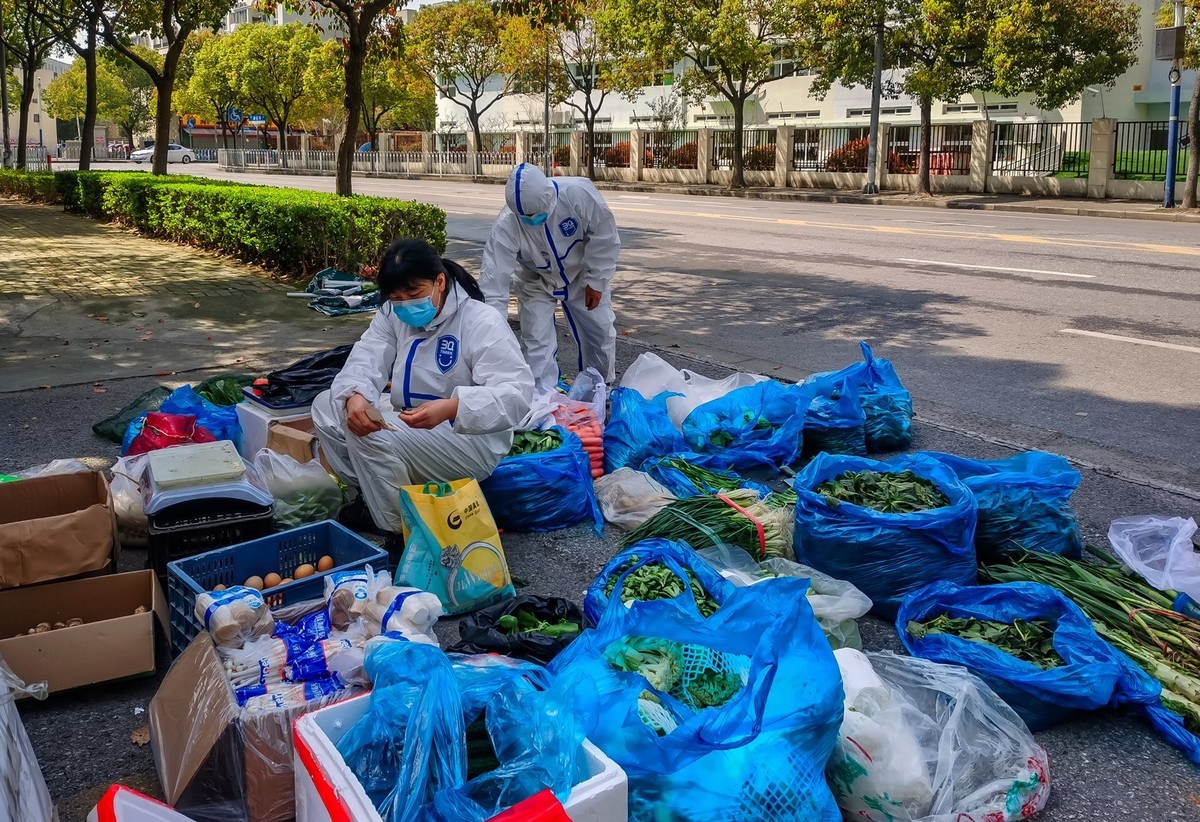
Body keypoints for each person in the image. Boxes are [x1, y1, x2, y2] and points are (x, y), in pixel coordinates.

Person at [312, 238, 535, 537]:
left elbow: (516, 395)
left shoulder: (481, 321)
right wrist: (355, 395)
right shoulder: (393, 314)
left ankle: (401, 531)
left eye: (414, 293)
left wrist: (453, 408)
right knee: (328, 405)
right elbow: (368, 356)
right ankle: (373, 494)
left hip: (470, 439)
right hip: (410, 423)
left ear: (439, 281)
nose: (405, 304)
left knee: (368, 436)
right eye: (396, 297)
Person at [480, 162, 620, 394]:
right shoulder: (506, 225)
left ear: (549, 197)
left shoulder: (578, 193)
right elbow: (494, 283)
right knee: (536, 340)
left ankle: (599, 390)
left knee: (600, 332)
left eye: (536, 213)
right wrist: (493, 328)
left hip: (581, 276)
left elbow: (604, 235)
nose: (532, 220)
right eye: (525, 216)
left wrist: (597, 281)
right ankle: (541, 397)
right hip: (536, 280)